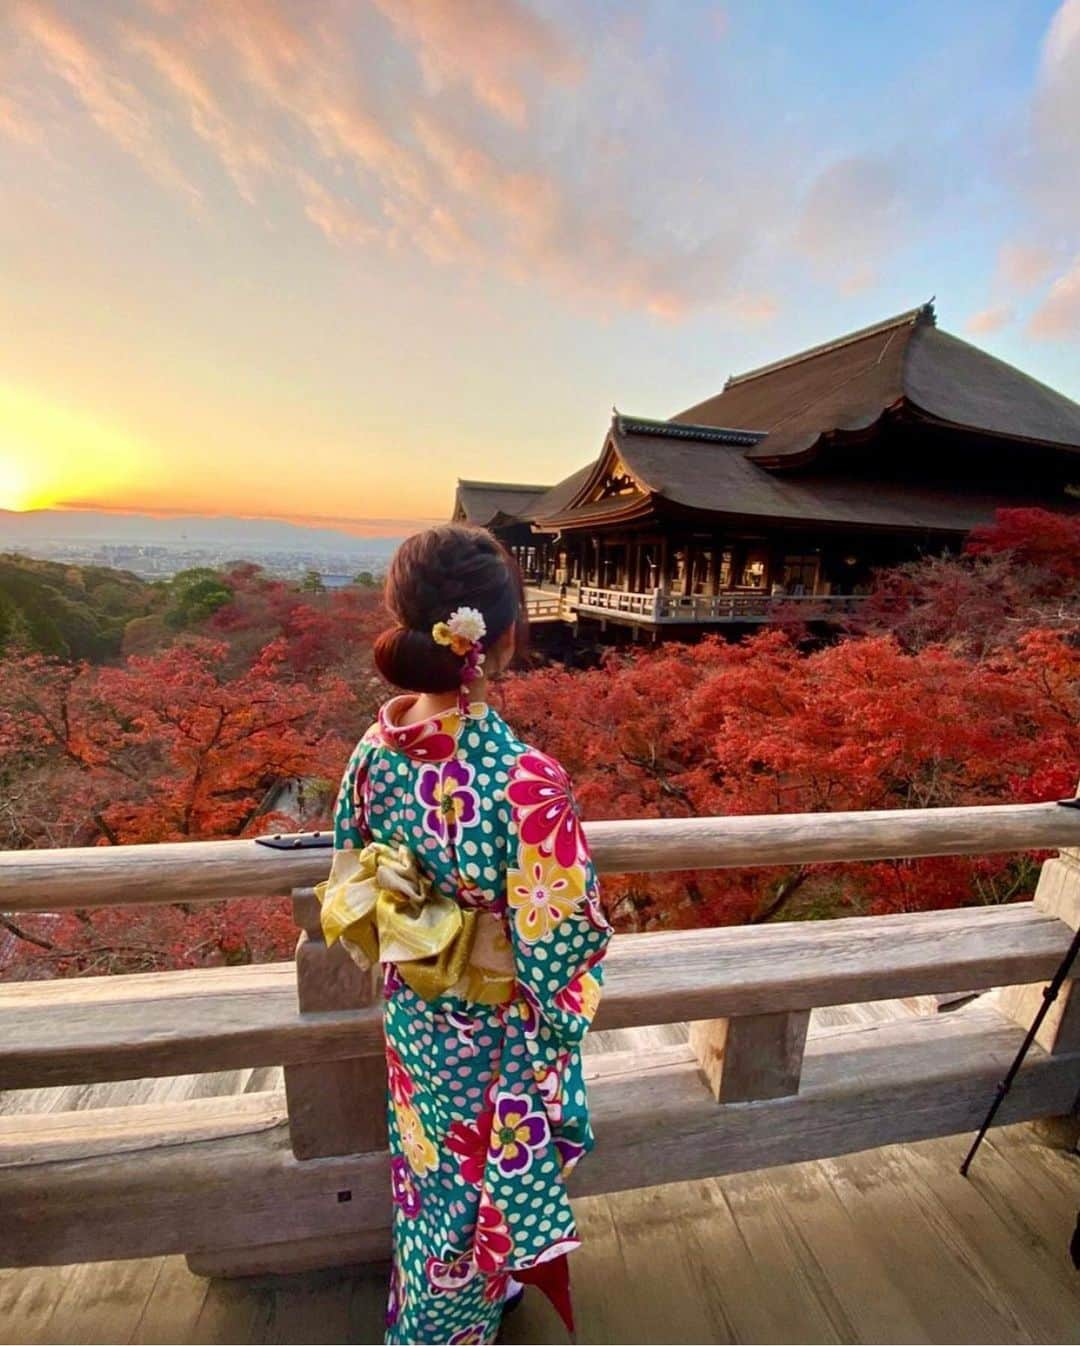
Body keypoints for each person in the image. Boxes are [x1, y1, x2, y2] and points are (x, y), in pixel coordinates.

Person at [317, 524, 612, 1345]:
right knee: (475, 1180)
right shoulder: (525, 779)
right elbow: (566, 936)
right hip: (494, 1024)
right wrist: (547, 1014)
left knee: (429, 1166)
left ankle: (486, 1290)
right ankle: (442, 1329)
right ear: (505, 637)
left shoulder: (375, 749)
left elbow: (354, 864)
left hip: (413, 1010)